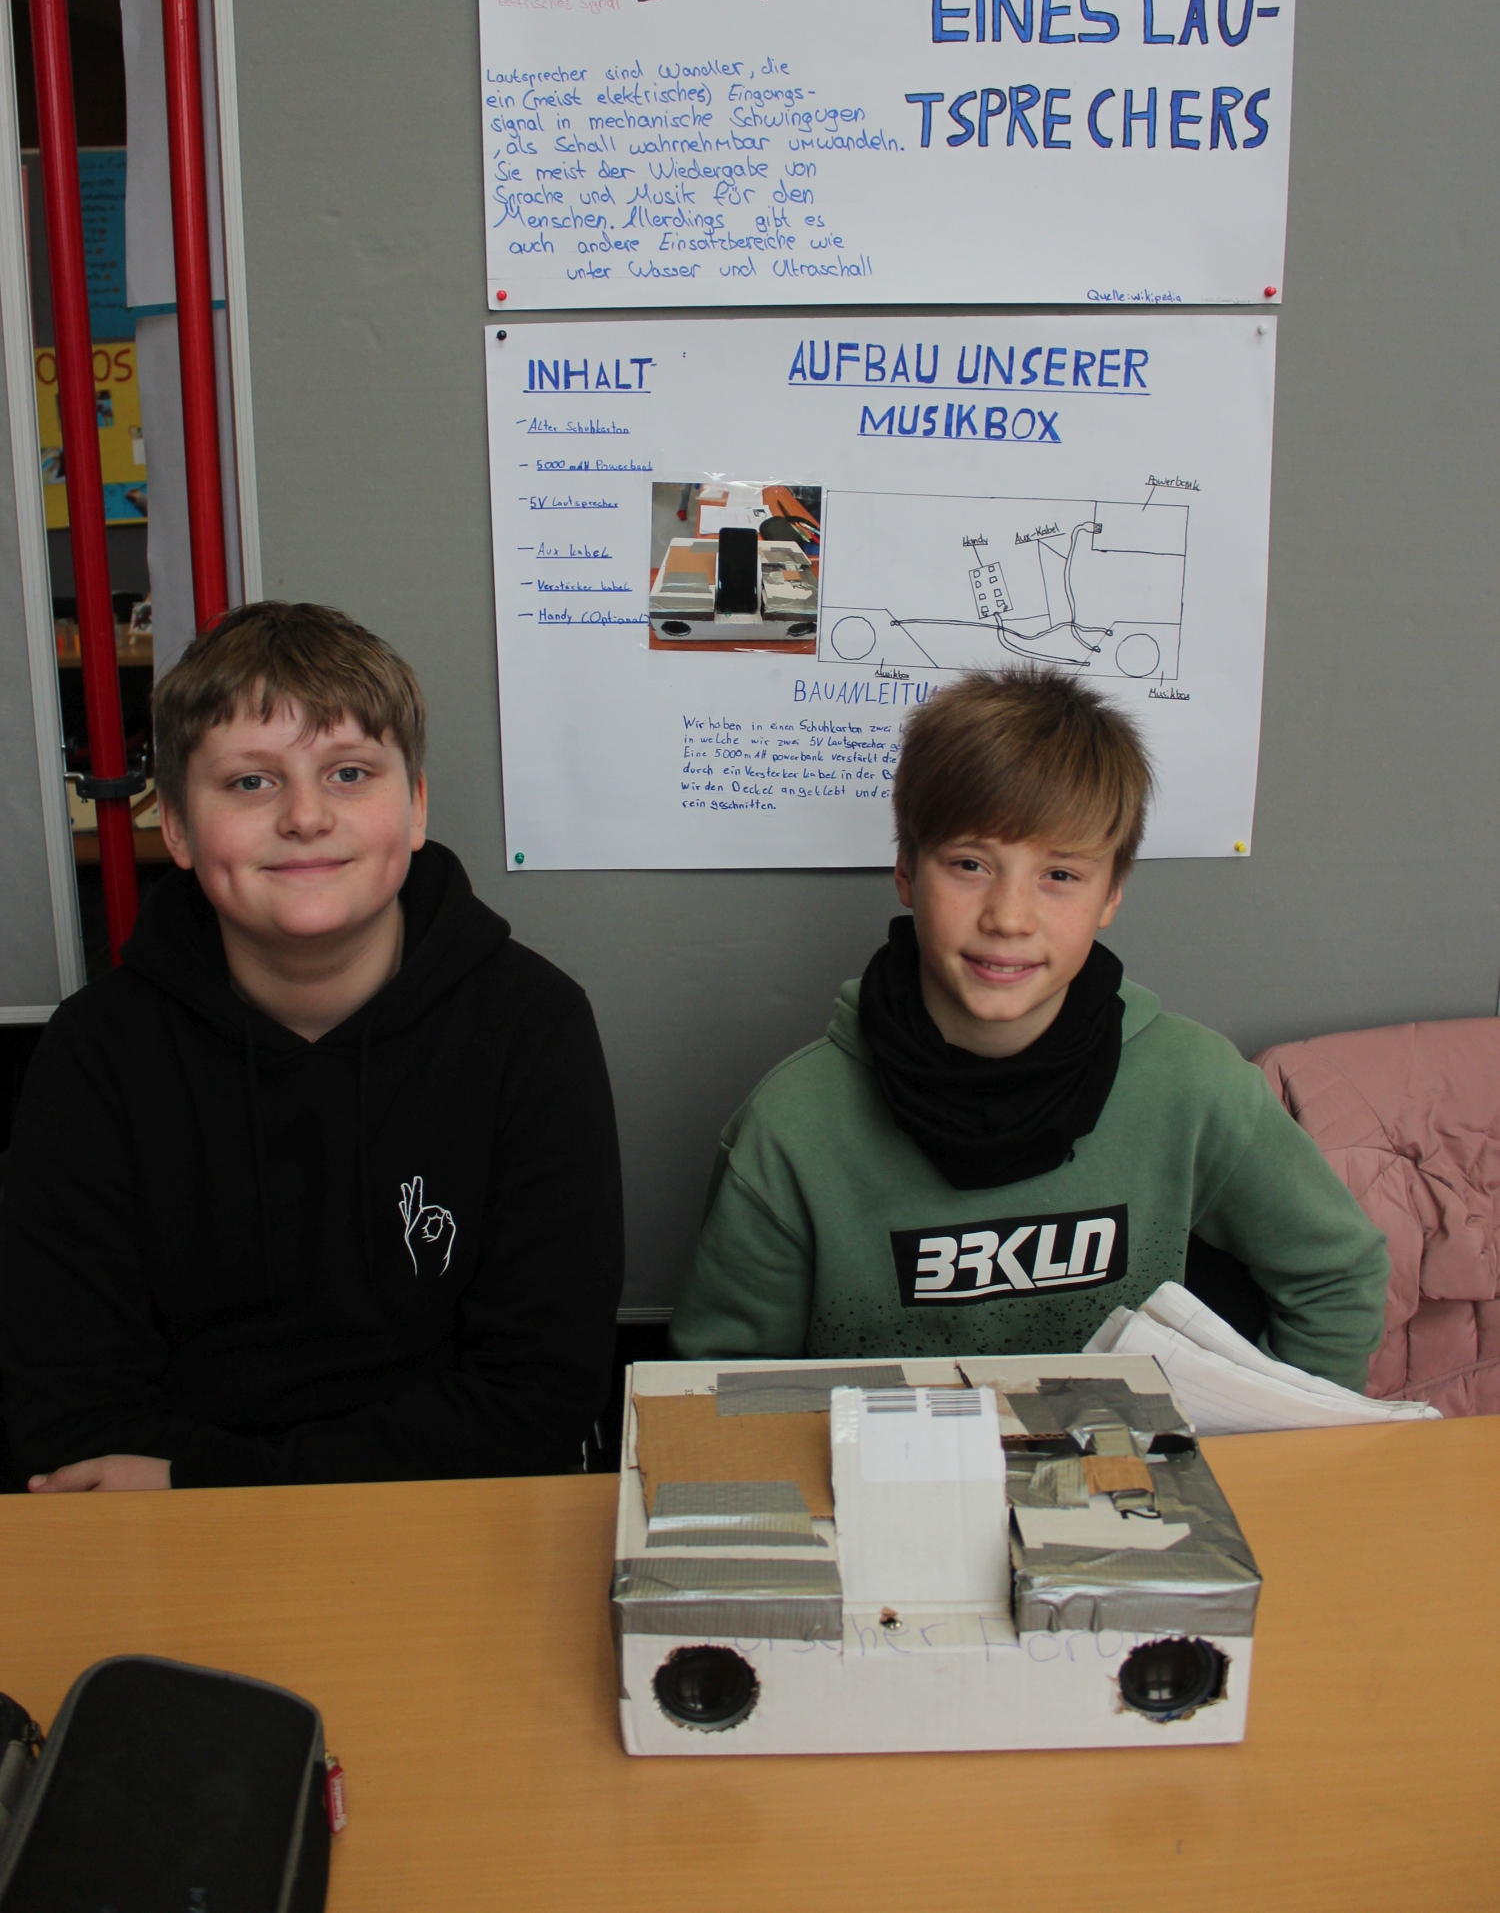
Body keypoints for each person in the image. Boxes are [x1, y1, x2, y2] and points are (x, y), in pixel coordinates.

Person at [0, 602, 624, 1489]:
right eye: (251, 782)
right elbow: (69, 1418)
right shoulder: (95, 1055)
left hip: (441, 1518)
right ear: (175, 826)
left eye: (349, 773)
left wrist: (207, 1480)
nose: (304, 815)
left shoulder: (532, 1026)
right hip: (182, 1540)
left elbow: (538, 1401)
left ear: (415, 808)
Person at [670, 667, 1387, 1387]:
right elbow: (722, 1383)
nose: (1009, 918)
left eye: (1060, 876)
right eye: (970, 864)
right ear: (907, 871)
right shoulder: (792, 1124)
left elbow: (1338, 1273)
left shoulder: (1198, 1088)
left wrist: (1280, 1443)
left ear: (1111, 894)